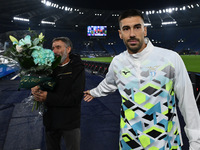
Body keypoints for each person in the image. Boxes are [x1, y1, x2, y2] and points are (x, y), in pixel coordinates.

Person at [84, 9, 200, 150]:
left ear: (144, 30)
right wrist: (94, 92)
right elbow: (108, 84)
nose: (132, 34)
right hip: (129, 142)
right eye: (126, 29)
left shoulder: (171, 59)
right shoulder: (117, 62)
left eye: (137, 27)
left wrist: (196, 142)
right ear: (120, 34)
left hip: (166, 143)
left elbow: (187, 102)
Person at [31, 37, 85, 150]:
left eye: (58, 47)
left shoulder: (77, 68)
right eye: (53, 48)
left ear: (68, 49)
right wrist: (36, 88)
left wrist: (48, 97)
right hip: (50, 122)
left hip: (70, 123)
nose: (54, 51)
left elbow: (75, 98)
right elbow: (43, 86)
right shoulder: (47, 67)